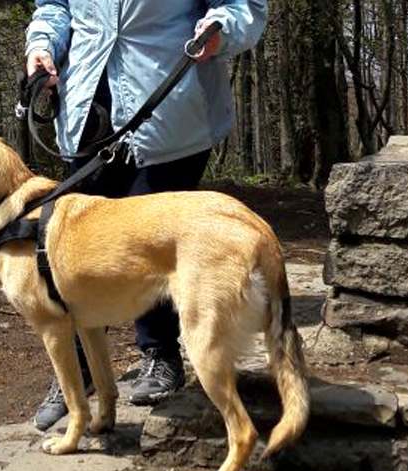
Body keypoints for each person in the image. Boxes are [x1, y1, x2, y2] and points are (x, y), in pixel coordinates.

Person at [25, 0, 268, 430]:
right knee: (77, 251)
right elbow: (55, 9)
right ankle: (76, 373)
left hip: (169, 110)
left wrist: (219, 29)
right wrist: (42, 46)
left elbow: (242, 7)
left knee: (155, 244)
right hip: (85, 111)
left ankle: (160, 354)